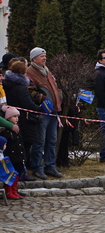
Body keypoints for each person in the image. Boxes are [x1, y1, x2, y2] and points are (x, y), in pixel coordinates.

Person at [26, 47, 63, 179]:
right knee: (39, 141)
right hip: (42, 111)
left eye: (45, 55)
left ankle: (50, 166)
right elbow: (30, 91)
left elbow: (54, 86)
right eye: (42, 56)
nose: (44, 58)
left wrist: (59, 95)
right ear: (34, 58)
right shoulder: (29, 72)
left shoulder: (46, 70)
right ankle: (37, 167)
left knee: (51, 140)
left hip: (53, 111)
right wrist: (42, 99)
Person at [1, 107, 25, 199]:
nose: (16, 118)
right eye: (14, 116)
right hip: (11, 156)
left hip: (18, 156)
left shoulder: (17, 129)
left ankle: (14, 190)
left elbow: (20, 143)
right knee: (10, 174)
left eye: (17, 116)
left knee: (17, 173)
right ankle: (9, 191)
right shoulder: (6, 131)